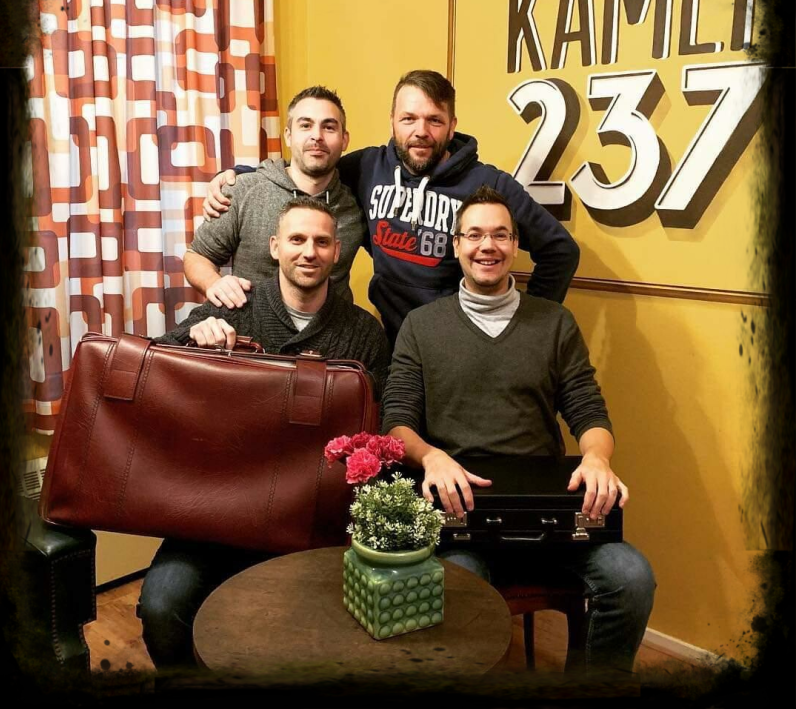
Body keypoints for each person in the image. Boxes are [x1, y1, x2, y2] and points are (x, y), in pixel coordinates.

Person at [381, 185, 655, 674]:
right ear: (456, 245)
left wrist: (597, 457)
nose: (487, 246)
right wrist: (432, 457)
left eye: (500, 235)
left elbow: (588, 410)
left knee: (631, 577)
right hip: (463, 516)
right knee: (452, 590)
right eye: (474, 235)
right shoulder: (421, 326)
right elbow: (397, 422)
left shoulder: (555, 322)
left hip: (550, 517)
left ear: (515, 244)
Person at [139, 197, 390, 669]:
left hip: (309, 518)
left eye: (321, 242)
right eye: (297, 239)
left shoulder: (363, 333)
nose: (309, 252)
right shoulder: (234, 307)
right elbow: (156, 363)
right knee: (161, 607)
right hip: (216, 510)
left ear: (337, 252)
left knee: (301, 629)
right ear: (275, 247)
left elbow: (378, 431)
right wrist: (193, 340)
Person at [203, 70, 580, 345]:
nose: (421, 131)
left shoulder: (487, 185)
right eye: (409, 119)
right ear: (393, 123)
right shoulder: (368, 167)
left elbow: (560, 251)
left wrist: (522, 322)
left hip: (460, 342)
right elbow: (310, 168)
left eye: (434, 120)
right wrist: (237, 176)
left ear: (452, 126)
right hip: (389, 341)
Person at [183, 86, 365, 308]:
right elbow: (197, 255)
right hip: (252, 326)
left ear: (344, 139)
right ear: (288, 135)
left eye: (328, 127)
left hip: (332, 328)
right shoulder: (244, 190)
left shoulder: (358, 203)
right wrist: (214, 283)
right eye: (305, 125)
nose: (317, 136)